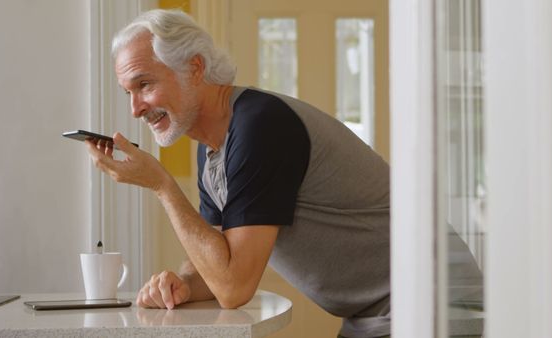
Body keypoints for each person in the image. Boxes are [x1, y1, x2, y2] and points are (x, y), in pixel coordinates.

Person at [86, 9, 391, 338]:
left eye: (144, 84)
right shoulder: (214, 146)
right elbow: (217, 263)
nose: (136, 109)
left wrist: (161, 184)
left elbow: (233, 288)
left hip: (430, 299)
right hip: (374, 317)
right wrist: (184, 285)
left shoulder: (260, 127)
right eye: (128, 93)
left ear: (195, 67)